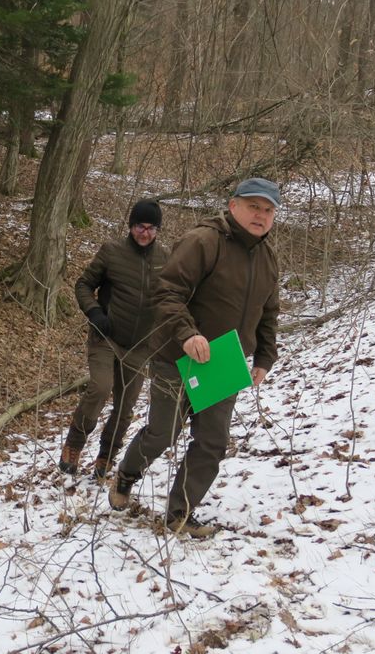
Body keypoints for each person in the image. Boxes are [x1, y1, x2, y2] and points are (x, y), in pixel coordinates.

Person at [108, 177, 281, 538]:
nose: (260, 215)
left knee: (212, 442)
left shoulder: (267, 258)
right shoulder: (204, 241)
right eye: (253, 206)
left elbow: (269, 311)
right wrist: (187, 334)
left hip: (224, 363)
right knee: (163, 433)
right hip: (176, 356)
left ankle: (179, 514)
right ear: (233, 206)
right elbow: (167, 292)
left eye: (267, 210)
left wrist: (265, 355)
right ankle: (127, 473)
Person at [59, 199, 167, 480]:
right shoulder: (112, 251)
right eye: (140, 226)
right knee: (99, 387)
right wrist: (94, 311)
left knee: (126, 406)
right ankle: (74, 444)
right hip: (106, 337)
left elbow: (174, 296)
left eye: (151, 228)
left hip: (141, 345)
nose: (145, 233)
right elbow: (83, 284)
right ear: (131, 226)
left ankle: (106, 455)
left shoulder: (165, 258)